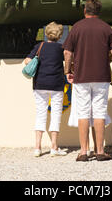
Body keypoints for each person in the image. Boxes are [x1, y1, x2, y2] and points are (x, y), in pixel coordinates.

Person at [63, 0, 112, 162]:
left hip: (81, 77)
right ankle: (100, 151)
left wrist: (68, 71)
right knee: (99, 112)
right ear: (98, 12)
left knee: (82, 113)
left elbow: (67, 53)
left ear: (85, 11)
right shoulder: (106, 28)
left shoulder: (77, 27)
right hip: (102, 77)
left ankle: (84, 152)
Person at [24, 21, 67, 157]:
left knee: (40, 114)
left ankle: (37, 148)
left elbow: (27, 61)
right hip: (56, 84)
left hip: (40, 84)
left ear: (46, 34)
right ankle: (54, 147)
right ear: (59, 35)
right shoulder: (61, 48)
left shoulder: (39, 46)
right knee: (56, 115)